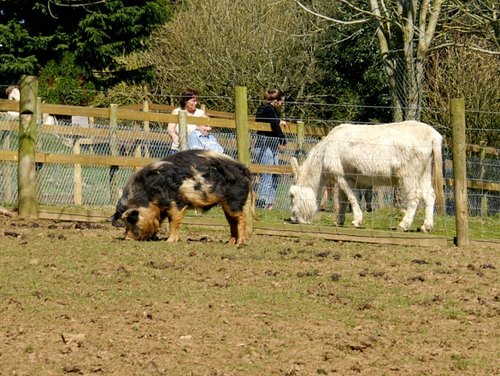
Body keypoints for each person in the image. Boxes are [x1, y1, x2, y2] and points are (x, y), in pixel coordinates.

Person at [254, 88, 287, 209]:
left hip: (271, 145)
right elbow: (273, 124)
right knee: (267, 173)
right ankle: (263, 202)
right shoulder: (267, 109)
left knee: (275, 173)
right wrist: (282, 139)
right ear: (276, 100)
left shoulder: (271, 110)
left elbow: (274, 121)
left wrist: (279, 121)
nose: (283, 103)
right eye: (282, 101)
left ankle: (270, 202)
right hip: (264, 144)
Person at [167, 88, 206, 152]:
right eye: (193, 101)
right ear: (185, 101)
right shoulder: (176, 112)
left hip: (194, 150)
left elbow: (207, 129)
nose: (196, 103)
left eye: (196, 101)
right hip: (177, 149)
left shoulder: (200, 113)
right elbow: (170, 128)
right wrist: (174, 136)